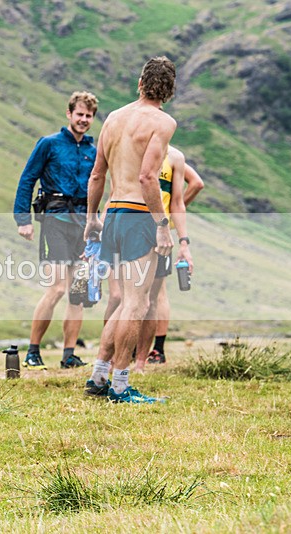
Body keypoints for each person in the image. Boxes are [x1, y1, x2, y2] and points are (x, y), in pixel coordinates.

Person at [82, 56, 177, 403]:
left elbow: (97, 174)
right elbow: (148, 177)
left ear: (140, 83)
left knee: (124, 302)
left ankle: (98, 376)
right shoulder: (163, 122)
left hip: (114, 214)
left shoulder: (113, 118)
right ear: (169, 90)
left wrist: (92, 218)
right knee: (137, 303)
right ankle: (120, 385)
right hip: (140, 216)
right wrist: (162, 224)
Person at [13, 91, 99, 370]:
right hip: (55, 220)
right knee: (58, 287)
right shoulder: (49, 144)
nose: (83, 119)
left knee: (78, 291)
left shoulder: (93, 151)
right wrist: (22, 219)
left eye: (89, 116)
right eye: (80, 114)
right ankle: (32, 352)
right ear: (69, 114)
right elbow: (28, 179)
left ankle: (69, 355)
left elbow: (98, 186)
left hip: (83, 225)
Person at [101, 157, 204, 370]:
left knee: (150, 301)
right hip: (128, 227)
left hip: (158, 233)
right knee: (124, 299)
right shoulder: (131, 151)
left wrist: (173, 227)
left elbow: (187, 193)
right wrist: (101, 228)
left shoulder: (174, 157)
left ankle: (139, 362)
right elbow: (113, 195)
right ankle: (110, 361)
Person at [143, 162, 203, 364]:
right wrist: (170, 213)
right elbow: (196, 183)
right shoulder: (171, 155)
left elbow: (197, 183)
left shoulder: (150, 153)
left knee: (140, 291)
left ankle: (136, 347)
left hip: (142, 224)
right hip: (161, 227)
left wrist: (170, 212)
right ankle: (157, 349)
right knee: (158, 293)